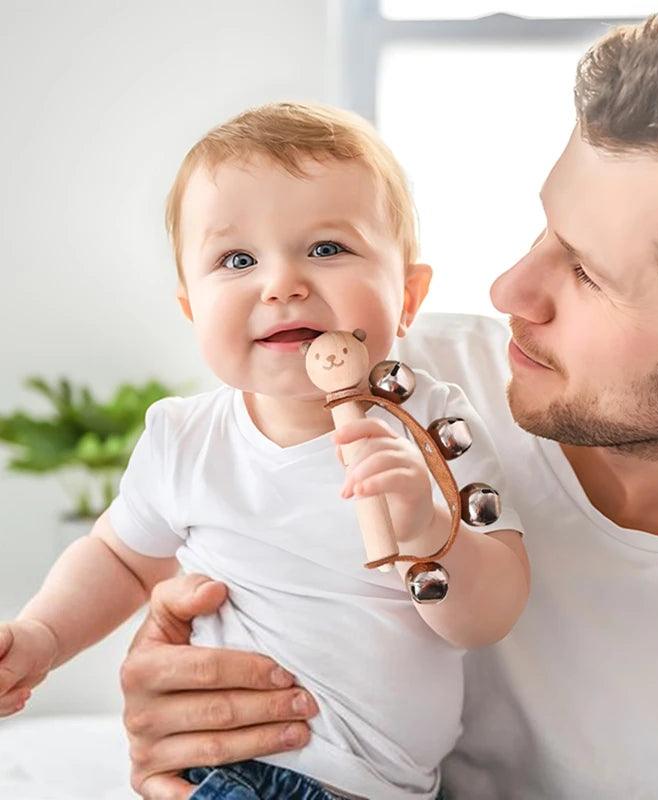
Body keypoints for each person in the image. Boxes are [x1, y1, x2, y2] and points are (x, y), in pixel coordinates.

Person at [116, 6, 658, 799]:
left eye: (587, 274)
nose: (509, 290)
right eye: (545, 228)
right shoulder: (381, 379)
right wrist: (182, 710)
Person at [0, 103, 529, 800]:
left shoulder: (433, 425)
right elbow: (121, 559)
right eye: (238, 259)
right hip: (228, 767)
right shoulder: (184, 439)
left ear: (408, 297)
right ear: (192, 309)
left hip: (378, 785)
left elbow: (486, 618)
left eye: (327, 248)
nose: (282, 283)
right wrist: (42, 636)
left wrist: (430, 531)